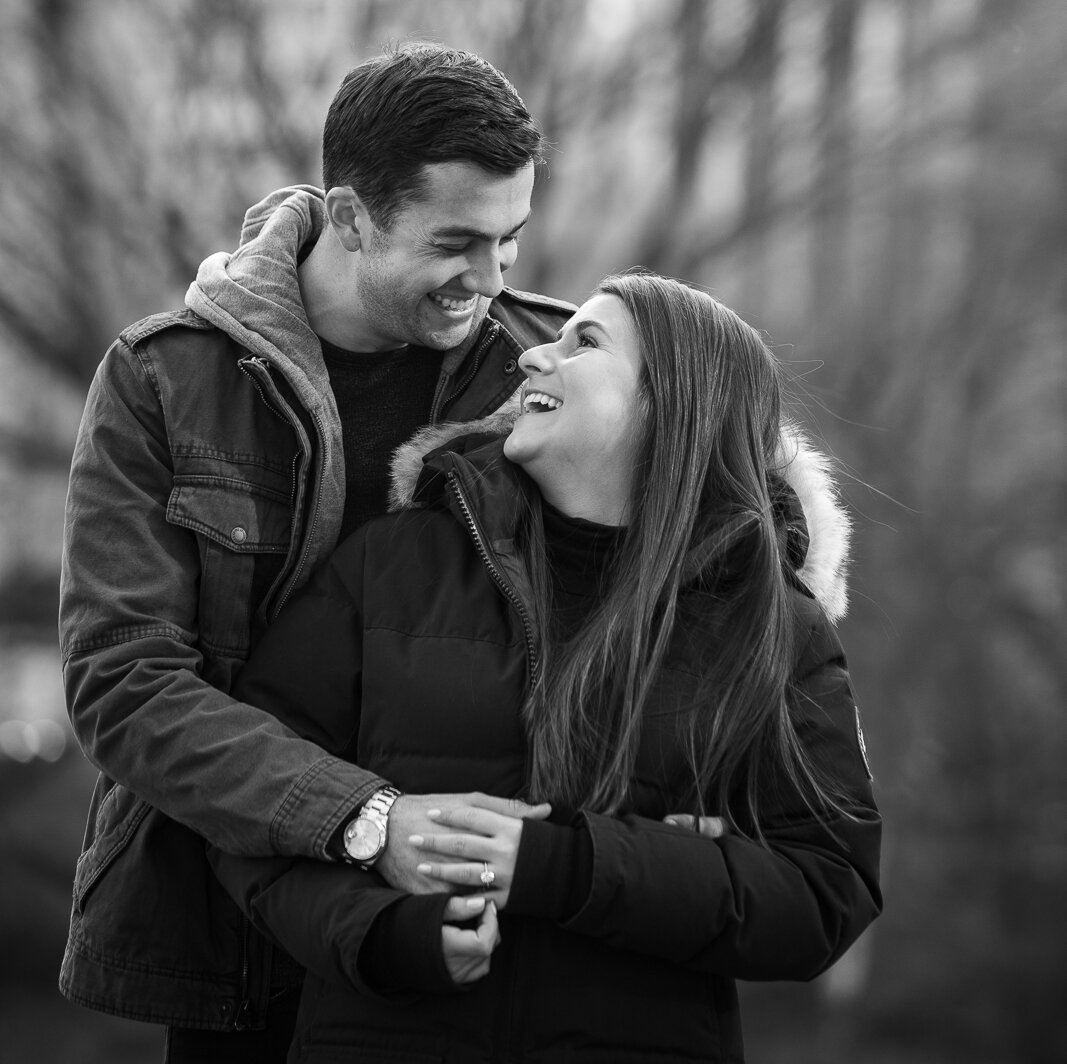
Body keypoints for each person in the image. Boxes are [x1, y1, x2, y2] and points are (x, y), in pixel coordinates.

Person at [210, 269, 882, 1063]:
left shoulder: (772, 629)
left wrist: (567, 867)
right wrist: (385, 933)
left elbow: (824, 892)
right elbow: (254, 812)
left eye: (585, 342)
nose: (533, 359)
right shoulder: (388, 568)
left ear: (671, 404)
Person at [58, 43, 574, 1061]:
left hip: (487, 953)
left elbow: (706, 551)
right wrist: (372, 820)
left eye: (509, 241)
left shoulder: (547, 369)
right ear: (348, 216)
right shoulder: (163, 380)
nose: (489, 278)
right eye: (457, 242)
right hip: (235, 940)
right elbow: (124, 682)